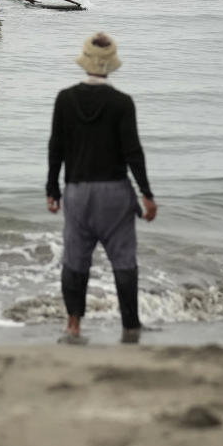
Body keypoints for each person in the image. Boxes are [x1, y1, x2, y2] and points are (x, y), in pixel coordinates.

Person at [46, 32, 157, 345]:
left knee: (75, 260)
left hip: (78, 193)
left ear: (85, 60)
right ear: (111, 65)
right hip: (115, 193)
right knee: (124, 260)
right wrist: (147, 194)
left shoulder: (65, 99)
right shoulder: (122, 103)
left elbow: (56, 148)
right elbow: (133, 152)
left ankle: (73, 327)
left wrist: (51, 189)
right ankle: (131, 326)